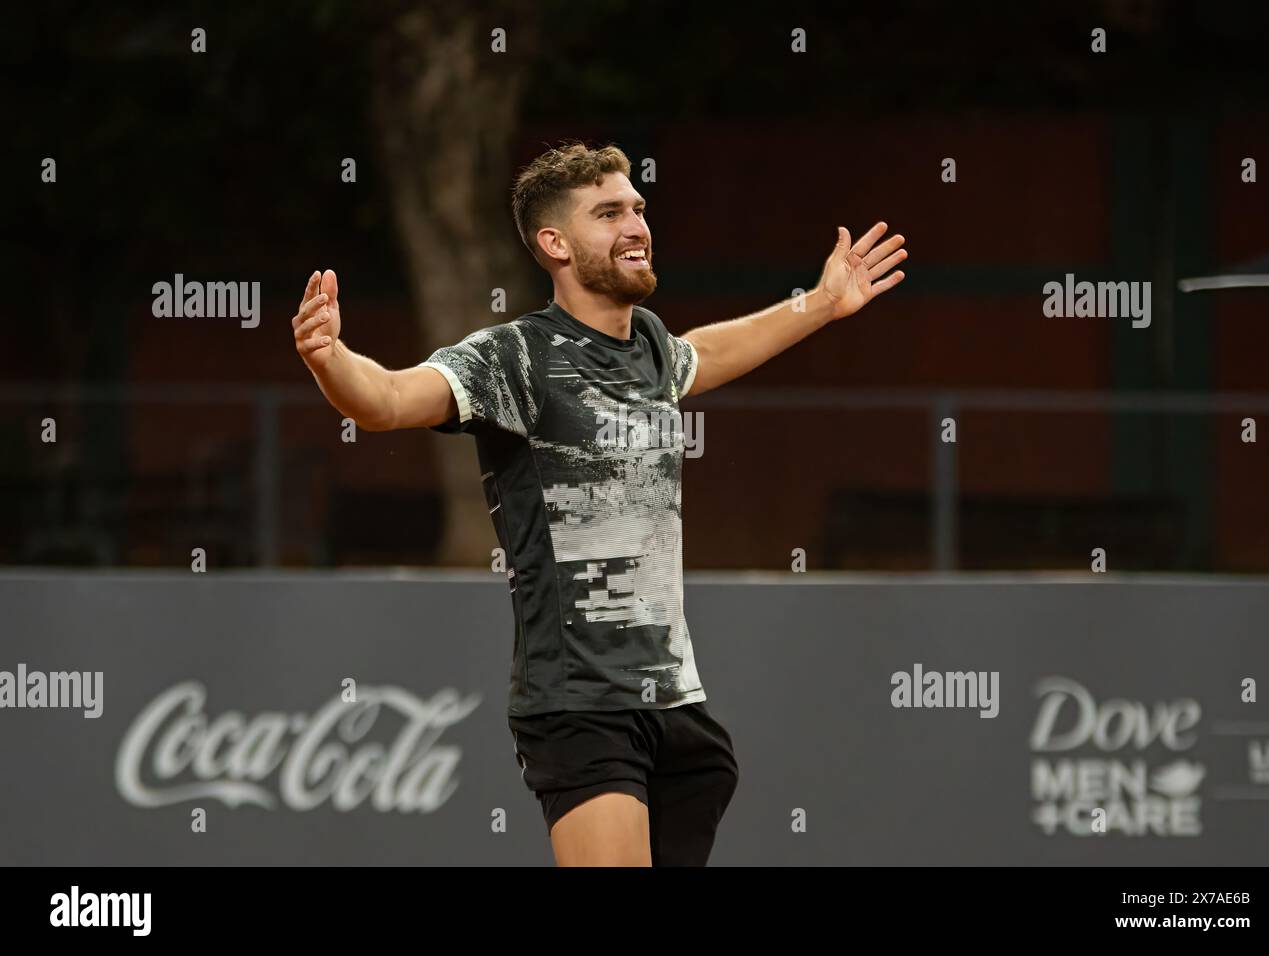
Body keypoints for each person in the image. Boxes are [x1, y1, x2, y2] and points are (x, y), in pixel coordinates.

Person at [293, 142, 906, 865]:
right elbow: (390, 400)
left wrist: (823, 303)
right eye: (609, 213)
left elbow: (709, 351)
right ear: (554, 244)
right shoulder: (516, 358)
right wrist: (330, 359)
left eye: (638, 208)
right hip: (579, 705)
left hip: (678, 710)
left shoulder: (647, 345)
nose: (636, 224)